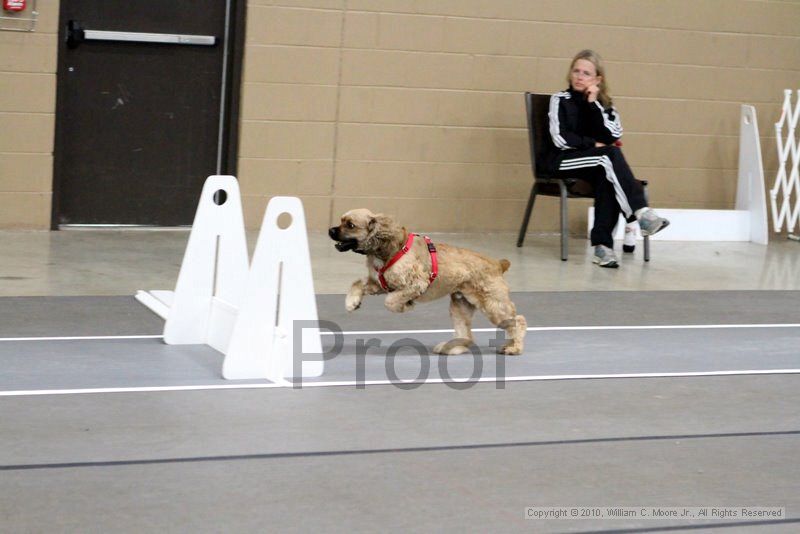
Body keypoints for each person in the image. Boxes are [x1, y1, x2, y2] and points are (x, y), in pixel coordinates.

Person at [543, 49, 669, 268]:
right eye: (576, 71)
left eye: (586, 73)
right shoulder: (559, 100)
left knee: (607, 176)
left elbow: (614, 134)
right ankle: (640, 213)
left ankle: (602, 249)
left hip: (594, 163)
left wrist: (593, 104)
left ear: (597, 79)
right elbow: (560, 139)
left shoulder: (605, 105)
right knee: (609, 156)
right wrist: (593, 144)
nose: (579, 76)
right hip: (562, 161)